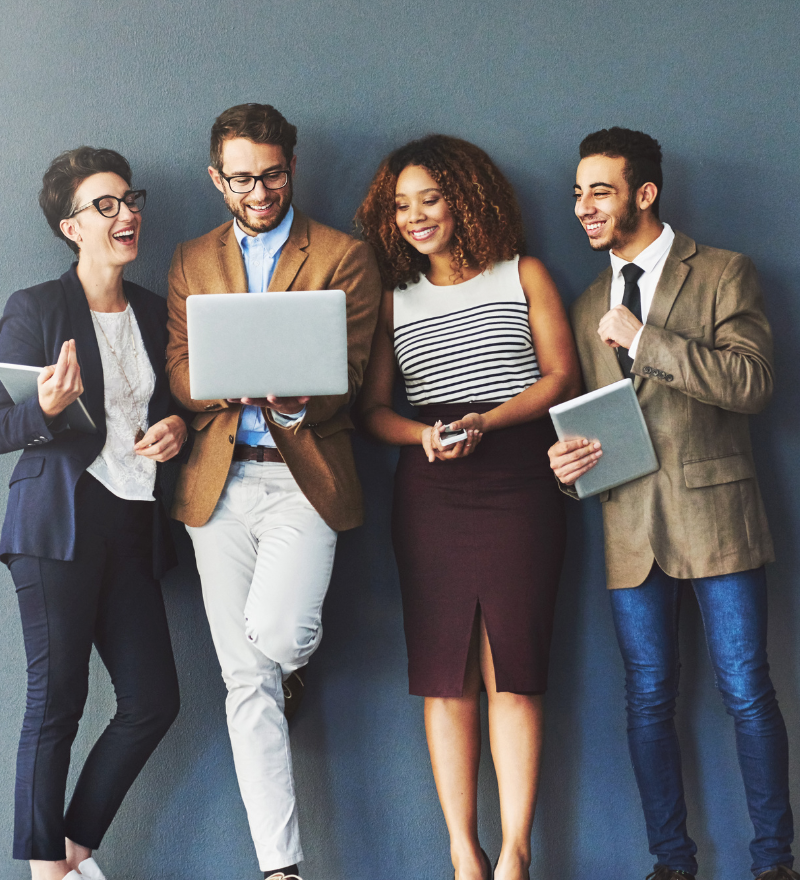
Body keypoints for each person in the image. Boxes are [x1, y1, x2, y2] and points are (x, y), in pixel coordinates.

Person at [548, 127, 798, 880]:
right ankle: (670, 862)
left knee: (746, 691)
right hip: (630, 527)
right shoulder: (587, 298)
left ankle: (776, 863)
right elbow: (594, 419)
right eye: (577, 193)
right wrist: (567, 467)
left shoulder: (724, 271)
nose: (583, 207)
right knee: (647, 700)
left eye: (601, 190)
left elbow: (752, 386)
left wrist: (646, 337)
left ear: (644, 194)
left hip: (719, 521)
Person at [355, 134, 581, 880]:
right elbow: (374, 413)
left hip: (520, 478)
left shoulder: (526, 274)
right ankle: (464, 854)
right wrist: (425, 436)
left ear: (465, 198)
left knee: (513, 670)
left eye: (430, 197)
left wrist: (489, 422)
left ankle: (516, 855)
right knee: (443, 674)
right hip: (431, 489)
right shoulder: (396, 298)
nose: (416, 215)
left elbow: (560, 377)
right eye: (401, 205)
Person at [165, 102, 381, 880]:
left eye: (274, 173)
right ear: (217, 179)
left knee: (280, 640)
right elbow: (181, 369)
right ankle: (280, 868)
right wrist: (228, 387)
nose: (261, 191)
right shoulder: (192, 258)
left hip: (303, 478)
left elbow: (351, 375)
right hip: (216, 487)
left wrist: (290, 400)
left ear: (294, 165)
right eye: (243, 178)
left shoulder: (343, 255)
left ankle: (293, 661)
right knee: (244, 683)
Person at [0, 147, 188, 880]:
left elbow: (173, 410)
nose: (126, 214)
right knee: (57, 701)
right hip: (57, 526)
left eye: (129, 200)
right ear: (70, 227)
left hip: (134, 524)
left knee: (154, 700)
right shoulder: (36, 308)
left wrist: (177, 430)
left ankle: (72, 851)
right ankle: (47, 873)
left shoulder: (152, 309)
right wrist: (43, 411)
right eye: (104, 205)